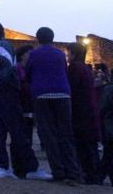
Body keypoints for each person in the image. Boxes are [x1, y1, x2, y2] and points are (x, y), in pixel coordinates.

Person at [0, 22, 50, 180]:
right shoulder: (5, 46)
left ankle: (3, 168)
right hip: (6, 94)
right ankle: (31, 168)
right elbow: (8, 70)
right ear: (3, 32)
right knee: (18, 132)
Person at [26, 27, 80, 183]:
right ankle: (72, 172)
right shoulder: (60, 54)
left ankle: (59, 171)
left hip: (42, 95)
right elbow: (63, 70)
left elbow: (29, 73)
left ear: (37, 39)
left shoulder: (34, 54)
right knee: (66, 134)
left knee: (48, 135)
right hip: (63, 95)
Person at [66, 43, 101, 184]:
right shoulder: (85, 68)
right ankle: (93, 176)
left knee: (84, 147)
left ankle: (88, 176)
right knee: (90, 148)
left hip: (80, 112)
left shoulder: (74, 68)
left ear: (73, 54)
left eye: (68, 54)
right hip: (88, 111)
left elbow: (71, 88)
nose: (67, 57)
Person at [15, 45, 34, 146]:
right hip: (22, 100)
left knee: (29, 124)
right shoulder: (18, 68)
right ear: (22, 55)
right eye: (29, 53)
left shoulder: (28, 68)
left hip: (29, 101)